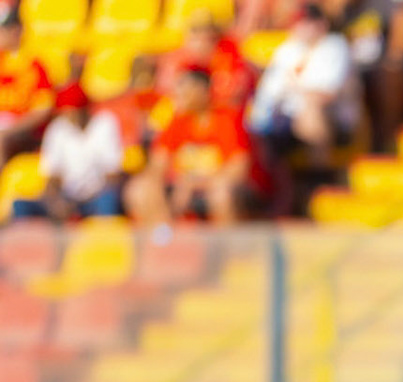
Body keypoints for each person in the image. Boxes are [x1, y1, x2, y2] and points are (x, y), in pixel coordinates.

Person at [124, 64, 263, 225]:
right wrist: (156, 186)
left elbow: (238, 170)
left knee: (221, 193)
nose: (178, 94)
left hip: (227, 189)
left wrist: (194, 183)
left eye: (185, 88)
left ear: (204, 91)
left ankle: (225, 241)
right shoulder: (176, 122)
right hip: (184, 187)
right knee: (139, 189)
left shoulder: (227, 120)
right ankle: (164, 236)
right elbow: (158, 164)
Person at [247, 4, 362, 158]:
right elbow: (268, 92)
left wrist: (295, 89)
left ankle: (320, 169)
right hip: (286, 117)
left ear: (321, 24)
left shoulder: (336, 46)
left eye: (307, 22)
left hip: (333, 120)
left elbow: (326, 95)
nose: (301, 27)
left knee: (311, 109)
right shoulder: (288, 49)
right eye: (299, 22)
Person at [14, 85, 124, 220]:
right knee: (21, 205)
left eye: (72, 110)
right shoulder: (58, 128)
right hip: (67, 198)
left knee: (108, 200)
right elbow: (52, 175)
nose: (68, 115)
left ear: (83, 108)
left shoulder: (104, 123)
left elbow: (113, 174)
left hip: (96, 197)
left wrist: (89, 197)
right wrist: (57, 201)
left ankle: (105, 232)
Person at [0, 7, 53, 162]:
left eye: (3, 30)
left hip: (22, 129)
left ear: (16, 31)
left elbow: (42, 111)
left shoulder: (34, 66)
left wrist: (10, 130)